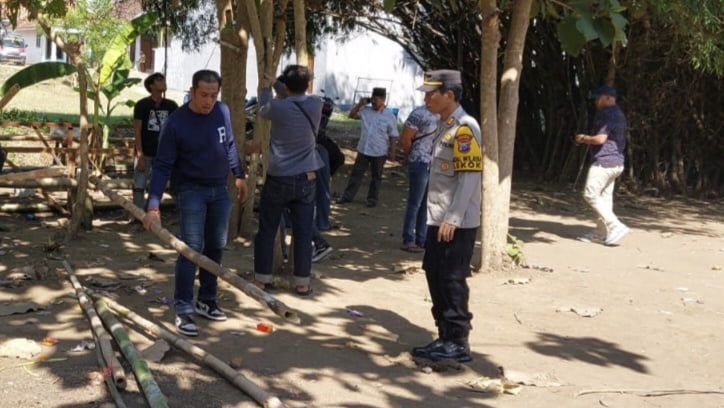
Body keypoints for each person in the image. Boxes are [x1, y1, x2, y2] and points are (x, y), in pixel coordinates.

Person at [142, 70, 247, 337]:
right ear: (192, 91)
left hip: (219, 190)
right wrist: (153, 205)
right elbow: (163, 166)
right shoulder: (176, 122)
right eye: (203, 95)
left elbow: (230, 144)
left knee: (216, 246)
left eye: (213, 95)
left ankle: (207, 300)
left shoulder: (222, 111)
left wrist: (239, 175)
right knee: (191, 249)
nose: (208, 101)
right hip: (190, 191)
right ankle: (183, 307)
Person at [411, 70, 482, 363]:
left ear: (449, 96)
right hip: (437, 217)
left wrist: (453, 217)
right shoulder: (445, 125)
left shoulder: (465, 129)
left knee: (452, 278)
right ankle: (443, 334)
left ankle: (457, 341)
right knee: (434, 273)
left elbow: (469, 177)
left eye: (432, 94)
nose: (426, 99)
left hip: (456, 222)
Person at [253, 65, 324, 296]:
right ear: (308, 85)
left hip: (278, 177)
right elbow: (292, 92)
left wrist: (266, 87)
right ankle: (302, 282)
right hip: (307, 178)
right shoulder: (316, 104)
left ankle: (261, 279)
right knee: (303, 233)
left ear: (285, 86)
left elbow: (262, 108)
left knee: (267, 229)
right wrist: (277, 83)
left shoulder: (276, 107)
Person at [575, 85, 629, 246]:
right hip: (617, 163)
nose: (596, 102)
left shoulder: (607, 114)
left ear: (607, 98)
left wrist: (584, 138)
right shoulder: (619, 113)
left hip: (604, 162)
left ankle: (615, 225)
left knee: (590, 194)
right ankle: (601, 232)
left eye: (598, 98)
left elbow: (600, 139)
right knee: (604, 199)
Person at [336, 87, 398, 207]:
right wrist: (360, 104)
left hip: (379, 151)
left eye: (377, 99)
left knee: (376, 177)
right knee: (356, 174)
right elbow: (351, 115)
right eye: (373, 99)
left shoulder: (389, 116)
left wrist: (392, 152)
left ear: (383, 100)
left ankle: (372, 199)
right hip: (364, 149)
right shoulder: (365, 110)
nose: (374, 101)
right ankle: (347, 196)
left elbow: (393, 136)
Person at [132, 72, 178, 215]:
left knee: (159, 185)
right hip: (146, 151)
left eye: (163, 79)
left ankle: (153, 213)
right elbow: (138, 130)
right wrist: (140, 155)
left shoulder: (171, 105)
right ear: (151, 85)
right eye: (159, 80)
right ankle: (138, 214)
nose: (163, 82)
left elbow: (175, 129)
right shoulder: (142, 105)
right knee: (139, 185)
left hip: (164, 153)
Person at [399, 106, 438, 253]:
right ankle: (408, 239)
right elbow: (405, 138)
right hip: (420, 160)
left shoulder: (445, 114)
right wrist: (413, 155)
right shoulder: (419, 113)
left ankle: (422, 239)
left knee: (427, 203)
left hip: (434, 163)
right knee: (415, 202)